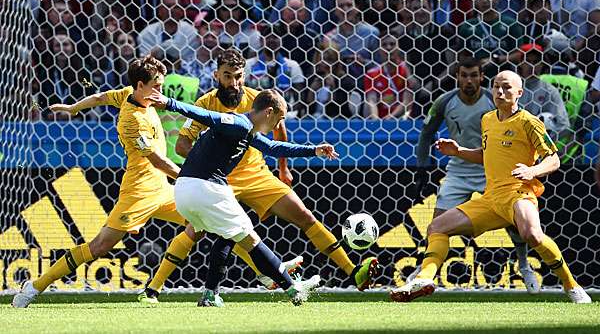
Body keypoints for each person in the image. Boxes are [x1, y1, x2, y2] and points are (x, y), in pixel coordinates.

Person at [138, 49, 379, 306]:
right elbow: (184, 144)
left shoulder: (259, 101)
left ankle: (351, 271)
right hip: (217, 182)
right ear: (216, 75)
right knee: (208, 233)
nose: (233, 82)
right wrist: (205, 152)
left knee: (302, 217)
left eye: (238, 76)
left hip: (254, 177)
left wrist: (293, 163)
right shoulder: (212, 106)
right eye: (227, 76)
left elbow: (275, 143)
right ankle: (155, 288)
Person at [390, 70, 592, 304]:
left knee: (532, 235)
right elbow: (488, 155)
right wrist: (459, 151)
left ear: (519, 93)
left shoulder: (529, 122)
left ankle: (571, 285)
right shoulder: (487, 119)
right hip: (491, 197)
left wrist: (532, 171)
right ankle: (424, 278)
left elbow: (554, 159)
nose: (500, 91)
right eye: (496, 86)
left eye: (506, 87)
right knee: (437, 226)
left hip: (518, 192)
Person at [12, 56, 190, 307]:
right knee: (99, 247)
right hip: (138, 193)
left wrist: (73, 107)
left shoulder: (128, 93)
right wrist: (189, 178)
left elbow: (99, 98)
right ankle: (35, 286)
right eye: (156, 86)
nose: (161, 92)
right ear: (141, 85)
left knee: (205, 221)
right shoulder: (132, 121)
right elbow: (157, 161)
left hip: (162, 189)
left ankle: (153, 291)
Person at [146, 89, 332, 305]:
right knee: (251, 239)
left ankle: (210, 294)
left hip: (186, 190)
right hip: (205, 188)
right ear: (268, 112)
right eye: (279, 120)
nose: (277, 126)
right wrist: (169, 102)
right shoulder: (237, 123)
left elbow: (273, 147)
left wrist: (314, 151)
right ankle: (292, 289)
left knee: (227, 236)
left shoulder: (247, 131)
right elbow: (205, 115)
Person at [413, 57, 539, 293]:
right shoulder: (444, 101)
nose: (468, 80)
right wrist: (422, 168)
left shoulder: (493, 103)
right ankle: (425, 270)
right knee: (437, 224)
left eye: (473, 75)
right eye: (463, 75)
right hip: (458, 169)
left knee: (514, 219)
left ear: (482, 78)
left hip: (491, 170)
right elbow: (425, 134)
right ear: (457, 76)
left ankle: (523, 264)